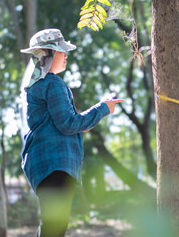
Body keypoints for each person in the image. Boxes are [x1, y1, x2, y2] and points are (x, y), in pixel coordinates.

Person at [20, 28, 124, 236]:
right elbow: (69, 124)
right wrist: (103, 109)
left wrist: (101, 108)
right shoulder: (53, 84)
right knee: (55, 227)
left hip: (44, 165)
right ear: (49, 54)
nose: (66, 55)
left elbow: (70, 122)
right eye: (61, 50)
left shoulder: (39, 85)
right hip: (55, 165)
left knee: (52, 226)